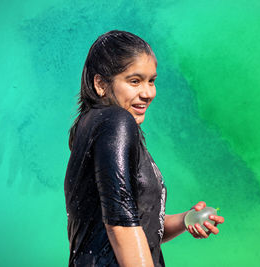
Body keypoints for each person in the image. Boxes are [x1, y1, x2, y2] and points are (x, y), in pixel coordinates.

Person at [64, 30, 224, 267]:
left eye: (152, 81)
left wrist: (184, 220)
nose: (148, 93)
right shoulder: (116, 121)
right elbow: (120, 226)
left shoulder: (93, 126)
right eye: (135, 81)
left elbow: (139, 226)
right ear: (100, 84)